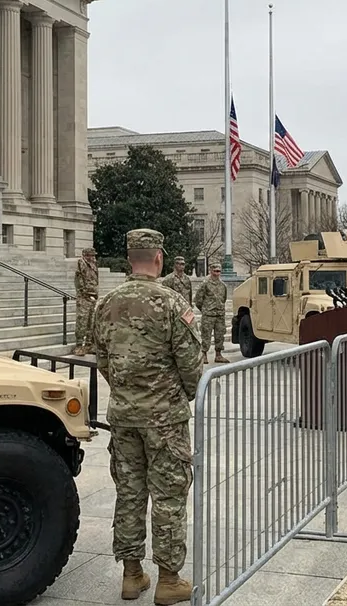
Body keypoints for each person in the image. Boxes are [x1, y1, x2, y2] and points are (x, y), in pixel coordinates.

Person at [92, 228, 202, 605]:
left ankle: (132, 574)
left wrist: (127, 391)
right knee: (168, 495)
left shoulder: (105, 303)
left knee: (130, 493)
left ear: (129, 259)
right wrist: (179, 395)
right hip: (165, 419)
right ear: (159, 258)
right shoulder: (172, 303)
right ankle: (168, 580)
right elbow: (191, 366)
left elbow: (103, 360)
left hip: (123, 417)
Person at [194, 264, 229, 363]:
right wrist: (205, 309)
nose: (217, 273)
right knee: (206, 335)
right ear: (211, 271)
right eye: (215, 271)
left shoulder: (223, 285)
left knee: (220, 335)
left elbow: (223, 299)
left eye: (219, 271)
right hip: (208, 315)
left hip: (219, 315)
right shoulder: (205, 284)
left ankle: (218, 355)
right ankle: (204, 354)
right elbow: (198, 300)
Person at [72, 247, 98, 356]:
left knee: (91, 321)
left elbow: (95, 280)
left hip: (93, 296)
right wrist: (84, 293)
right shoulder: (81, 263)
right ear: (86, 255)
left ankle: (89, 344)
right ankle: (79, 345)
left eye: (93, 255)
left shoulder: (93, 265)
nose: (93, 257)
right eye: (91, 255)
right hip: (84, 297)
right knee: (82, 321)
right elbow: (79, 281)